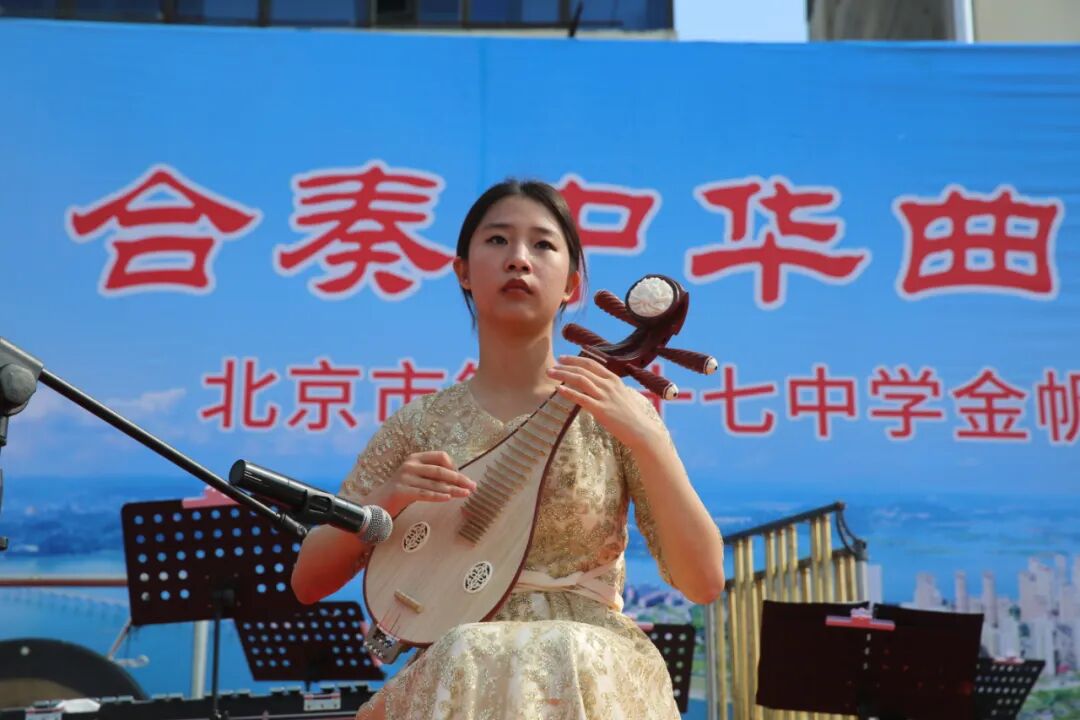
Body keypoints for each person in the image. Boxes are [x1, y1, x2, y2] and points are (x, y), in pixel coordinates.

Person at [290, 179, 726, 719]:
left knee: (553, 648)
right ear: (463, 272)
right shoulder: (420, 424)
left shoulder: (614, 412)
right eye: (497, 240)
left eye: (542, 244)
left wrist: (651, 440)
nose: (519, 258)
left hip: (586, 669)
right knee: (468, 650)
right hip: (457, 673)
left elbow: (703, 581)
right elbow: (308, 581)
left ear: (572, 285)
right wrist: (387, 498)